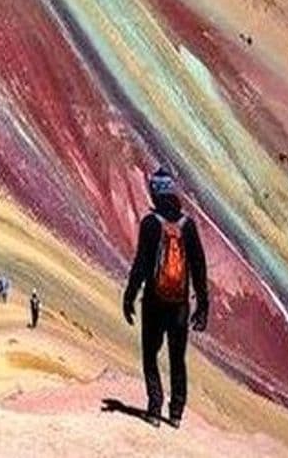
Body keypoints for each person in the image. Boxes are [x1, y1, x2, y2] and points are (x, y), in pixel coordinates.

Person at [123, 166, 209, 429]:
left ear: (155, 193)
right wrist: (203, 306)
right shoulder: (188, 226)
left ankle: (154, 407)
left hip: (153, 302)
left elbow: (141, 264)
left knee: (150, 354)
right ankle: (176, 413)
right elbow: (198, 266)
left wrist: (129, 296)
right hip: (180, 304)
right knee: (177, 357)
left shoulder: (150, 224)